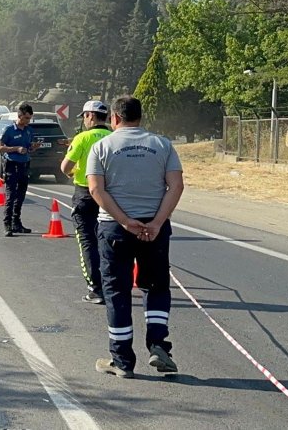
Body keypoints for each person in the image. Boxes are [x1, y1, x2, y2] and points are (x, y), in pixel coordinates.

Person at [87, 96, 184, 378]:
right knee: (156, 287)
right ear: (140, 117)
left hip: (115, 229)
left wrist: (125, 221)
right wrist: (157, 222)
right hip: (154, 228)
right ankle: (158, 345)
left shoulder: (102, 146)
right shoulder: (162, 145)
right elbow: (176, 186)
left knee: (117, 291)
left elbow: (96, 190)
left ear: (115, 118)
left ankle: (122, 360)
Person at [60, 100, 112, 305]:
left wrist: (73, 173)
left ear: (90, 115)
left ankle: (95, 289)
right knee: (109, 240)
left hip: (85, 193)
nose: (84, 120)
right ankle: (113, 284)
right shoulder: (114, 137)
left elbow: (65, 167)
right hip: (110, 195)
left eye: (84, 116)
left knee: (87, 241)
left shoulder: (82, 137)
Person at [0, 104, 38, 236]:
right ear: (20, 116)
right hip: (12, 165)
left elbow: (28, 147)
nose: (28, 121)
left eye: (30, 118)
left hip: (24, 165)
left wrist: (33, 147)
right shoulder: (9, 130)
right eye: (26, 118)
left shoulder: (29, 130)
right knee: (11, 196)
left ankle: (16, 223)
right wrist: (16, 149)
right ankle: (7, 224)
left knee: (20, 196)